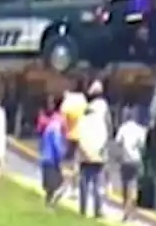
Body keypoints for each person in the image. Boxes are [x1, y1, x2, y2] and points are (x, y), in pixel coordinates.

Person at [75, 80, 110, 218]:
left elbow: (80, 129)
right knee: (98, 182)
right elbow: (109, 128)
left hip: (85, 148)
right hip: (99, 149)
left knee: (84, 182)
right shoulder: (104, 108)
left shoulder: (84, 109)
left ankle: (83, 209)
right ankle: (98, 209)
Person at [113, 107, 148, 221]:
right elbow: (142, 145)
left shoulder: (123, 128)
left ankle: (125, 209)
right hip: (136, 159)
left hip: (125, 159)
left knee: (125, 185)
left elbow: (118, 143)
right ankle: (132, 211)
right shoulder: (139, 129)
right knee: (134, 185)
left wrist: (117, 156)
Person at [59, 80, 88, 196]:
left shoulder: (68, 101)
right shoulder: (83, 100)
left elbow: (63, 119)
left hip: (69, 135)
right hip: (81, 135)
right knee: (76, 164)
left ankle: (66, 186)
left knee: (66, 163)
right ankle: (75, 189)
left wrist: (62, 132)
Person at [39, 111, 68, 207]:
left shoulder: (48, 129)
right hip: (52, 160)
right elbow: (57, 146)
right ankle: (51, 205)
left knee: (50, 189)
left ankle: (48, 206)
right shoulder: (55, 130)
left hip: (45, 159)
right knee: (60, 185)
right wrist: (61, 157)